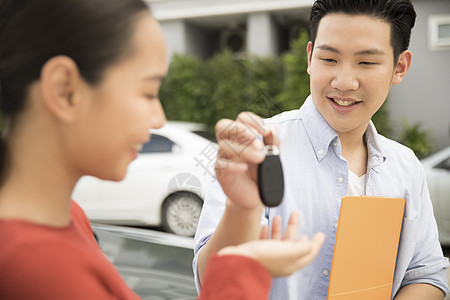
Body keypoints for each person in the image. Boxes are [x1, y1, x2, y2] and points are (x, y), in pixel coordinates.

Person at [0, 0, 325, 299]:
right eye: (148, 92)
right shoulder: (27, 261)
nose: (159, 119)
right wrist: (247, 268)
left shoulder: (66, 219)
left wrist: (242, 219)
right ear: (65, 90)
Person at [194, 0, 450, 299]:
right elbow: (211, 280)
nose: (343, 82)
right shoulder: (256, 149)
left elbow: (427, 273)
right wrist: (241, 209)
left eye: (366, 62)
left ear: (400, 67)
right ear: (310, 57)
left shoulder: (406, 167)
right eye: (329, 59)